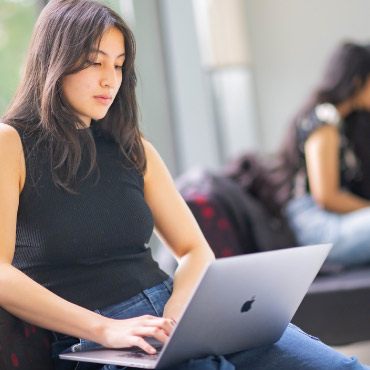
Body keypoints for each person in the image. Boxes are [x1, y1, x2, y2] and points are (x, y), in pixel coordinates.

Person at [0, 1, 368, 369]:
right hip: (98, 340)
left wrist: (178, 312)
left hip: (177, 317)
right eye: (96, 62)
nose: (110, 79)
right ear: (54, 61)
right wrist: (106, 329)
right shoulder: (10, 143)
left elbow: (194, 250)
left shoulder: (132, 147)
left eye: (118, 64)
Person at [280, 42, 370, 268]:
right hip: (315, 226)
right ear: (357, 80)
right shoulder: (324, 120)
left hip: (325, 220)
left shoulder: (346, 123)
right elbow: (327, 197)